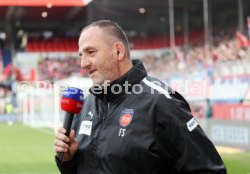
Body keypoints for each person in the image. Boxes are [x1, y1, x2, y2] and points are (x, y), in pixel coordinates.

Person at [54, 20, 227, 174]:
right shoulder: (86, 104)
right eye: (81, 55)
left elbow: (208, 168)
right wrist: (68, 161)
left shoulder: (162, 102)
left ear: (118, 51)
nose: (83, 63)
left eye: (91, 52)